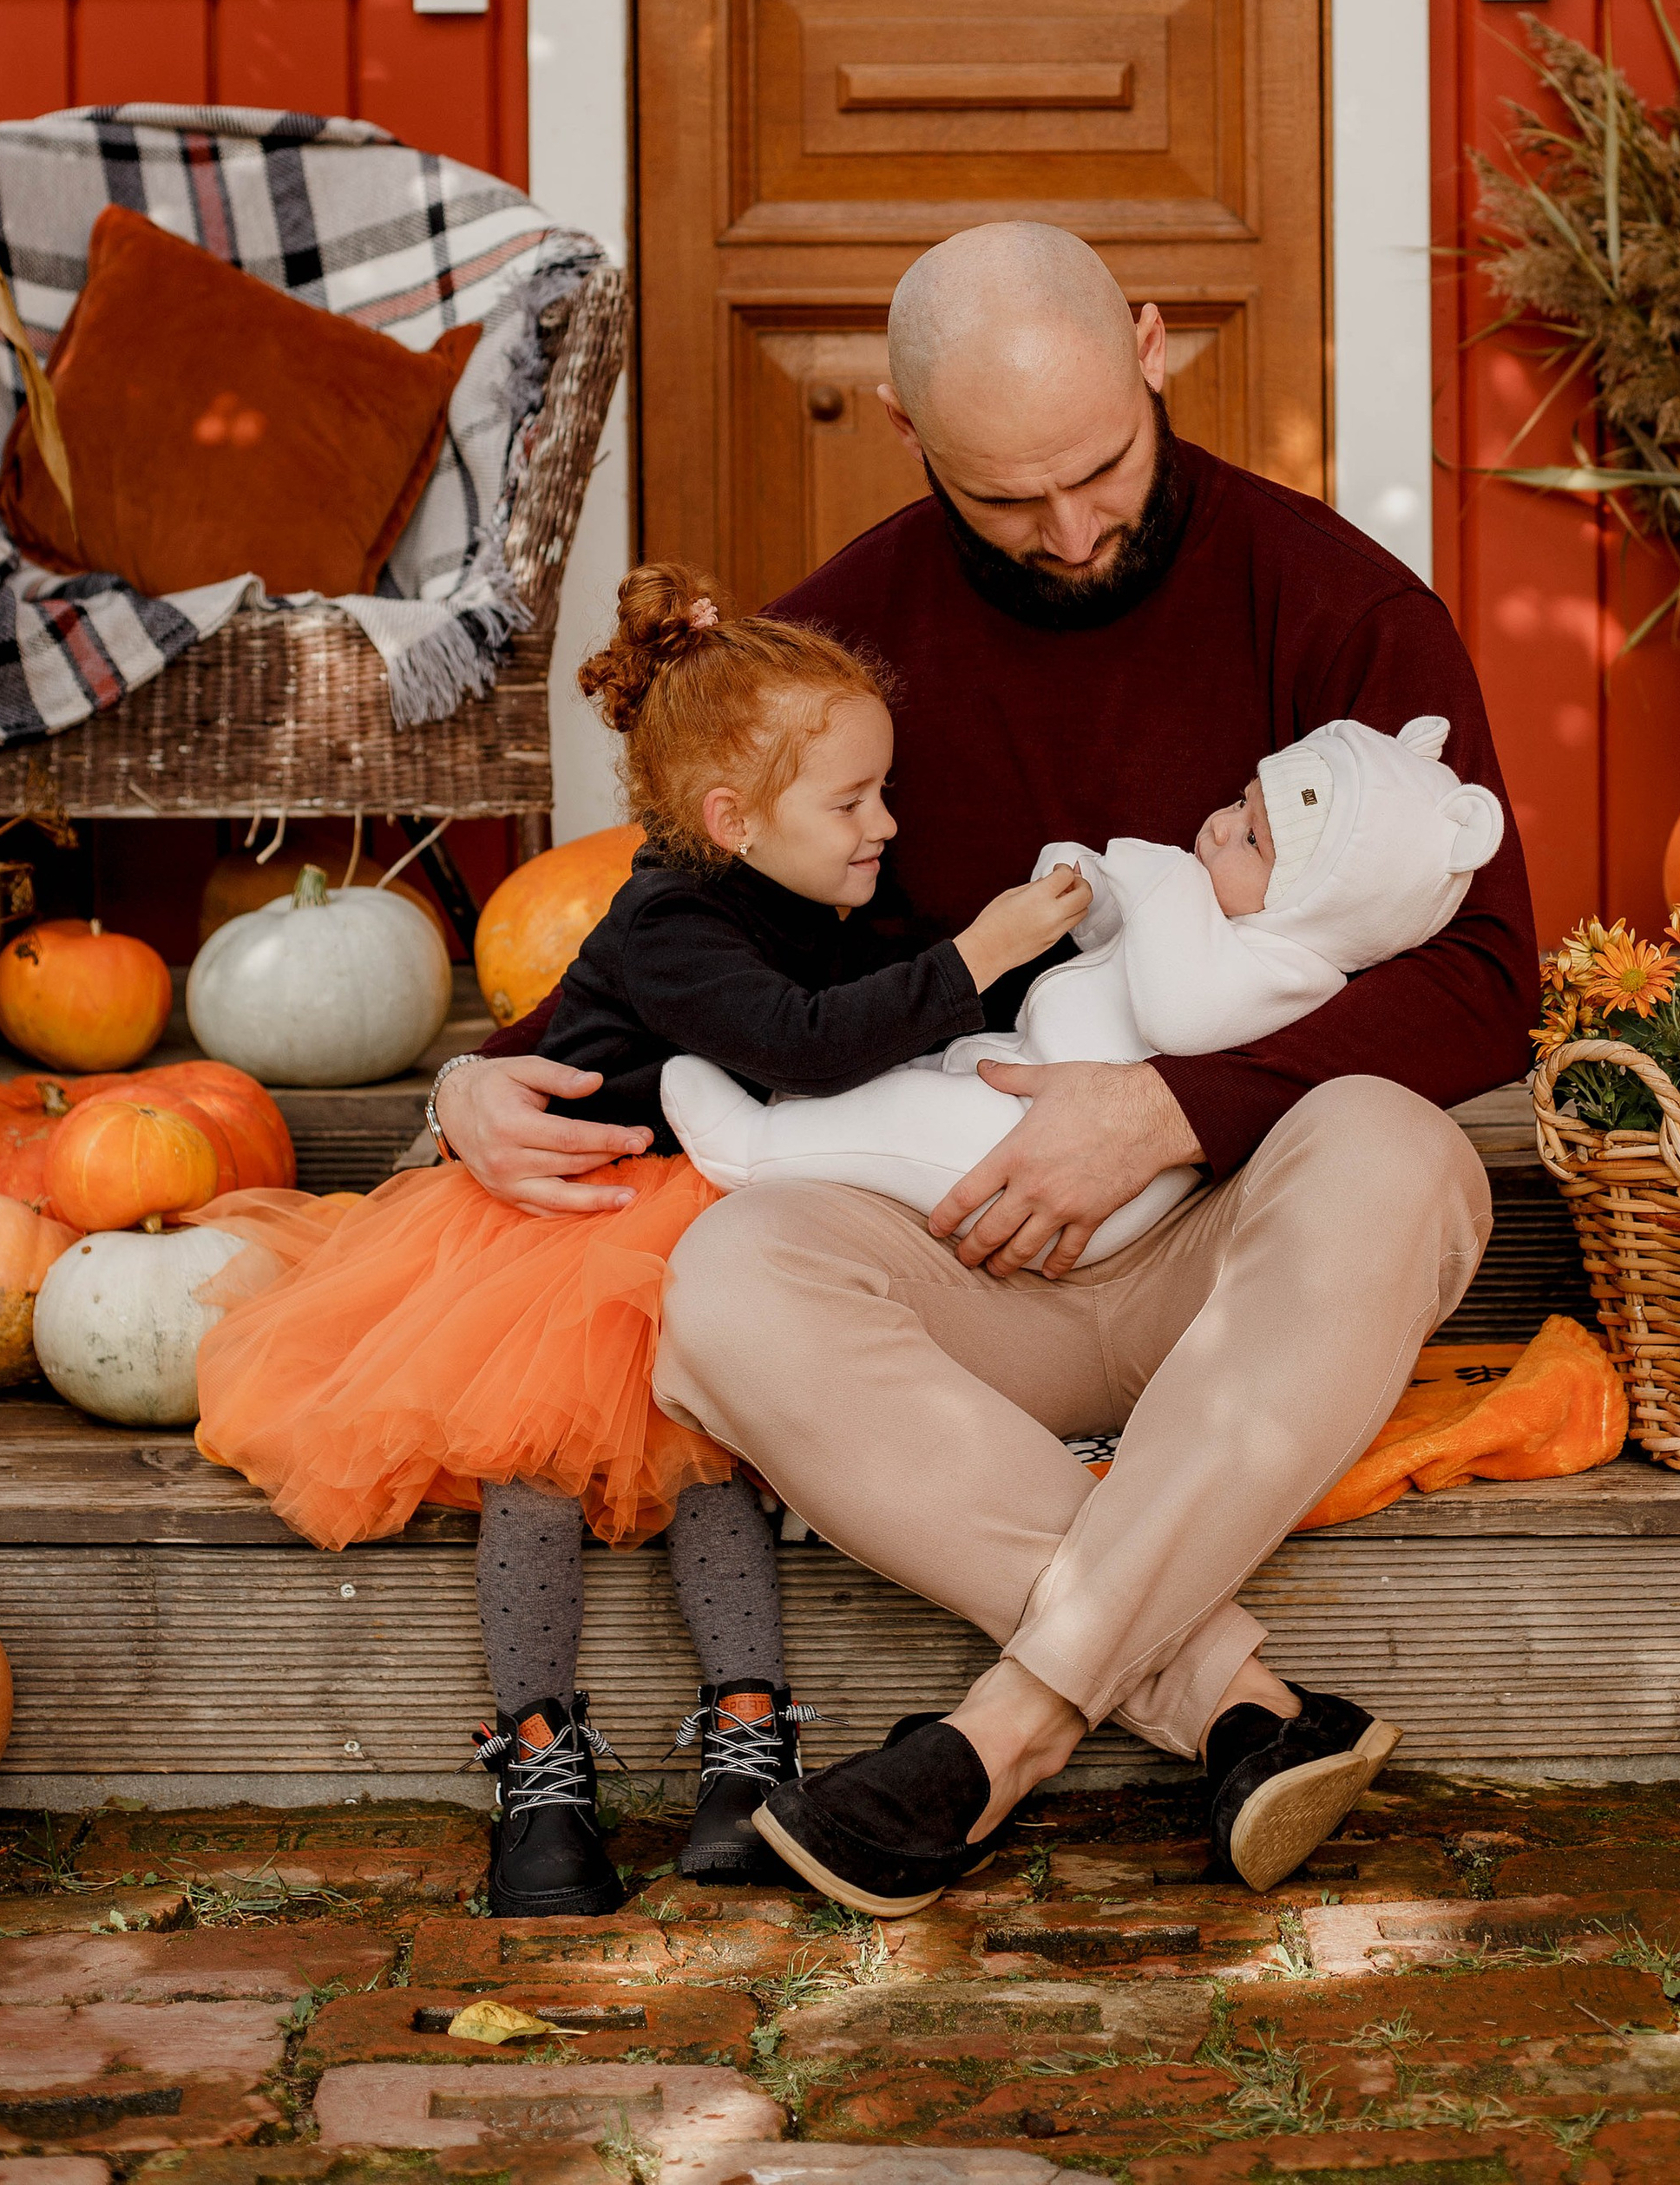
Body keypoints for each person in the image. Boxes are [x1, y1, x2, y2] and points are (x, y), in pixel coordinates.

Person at [433, 221, 1536, 1912]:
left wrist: (1165, 1110)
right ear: (904, 430)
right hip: (964, 1250)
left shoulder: (1337, 606)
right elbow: (683, 933)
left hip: (1244, 1264)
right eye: (1010, 498)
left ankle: (1007, 1732)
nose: (1072, 530)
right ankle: (1229, 1705)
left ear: (1153, 351)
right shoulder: (841, 641)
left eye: (1100, 470)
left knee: (1398, 1153)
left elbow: (1486, 979)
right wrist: (485, 1077)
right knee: (726, 1283)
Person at [194, 566, 1086, 1914]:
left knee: (714, 1464)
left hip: (708, 1219)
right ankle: (541, 1780)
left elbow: (869, 1005)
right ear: (733, 818)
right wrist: (981, 952)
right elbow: (806, 1043)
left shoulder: (802, 887)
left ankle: (746, 1750)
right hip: (574, 1228)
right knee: (533, 1466)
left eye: (882, 793)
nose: (887, 825)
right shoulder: (671, 920)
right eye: (854, 802)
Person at [663, 713, 1505, 1266]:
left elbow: (1179, 1014)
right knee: (911, 1083)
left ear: (1315, 903)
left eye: (1252, 838)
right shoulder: (1231, 916)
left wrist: (1158, 878)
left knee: (912, 1123)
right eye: (1238, 802)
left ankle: (755, 1146)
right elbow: (1121, 955)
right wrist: (1094, 893)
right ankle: (803, 1112)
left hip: (1060, 1167)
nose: (1219, 826)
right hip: (1024, 1079)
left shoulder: (1293, 969)